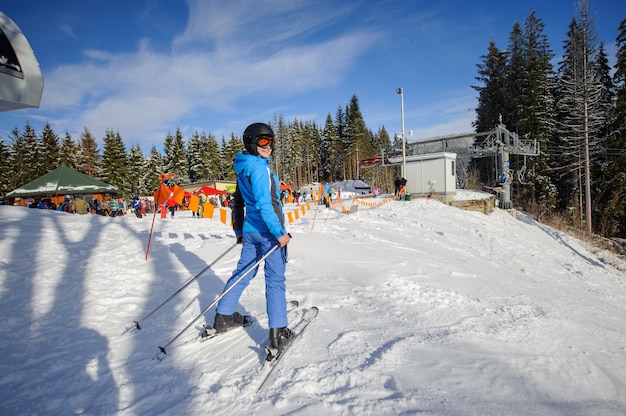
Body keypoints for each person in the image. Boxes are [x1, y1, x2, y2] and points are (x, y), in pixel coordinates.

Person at [212, 122, 293, 352]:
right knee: (275, 280)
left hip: (250, 232)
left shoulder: (244, 167)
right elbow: (264, 204)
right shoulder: (258, 168)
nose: (268, 146)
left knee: (242, 274)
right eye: (263, 141)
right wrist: (280, 234)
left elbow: (238, 202)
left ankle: (224, 316)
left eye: (271, 141)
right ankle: (279, 333)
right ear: (252, 142)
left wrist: (239, 230)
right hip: (269, 234)